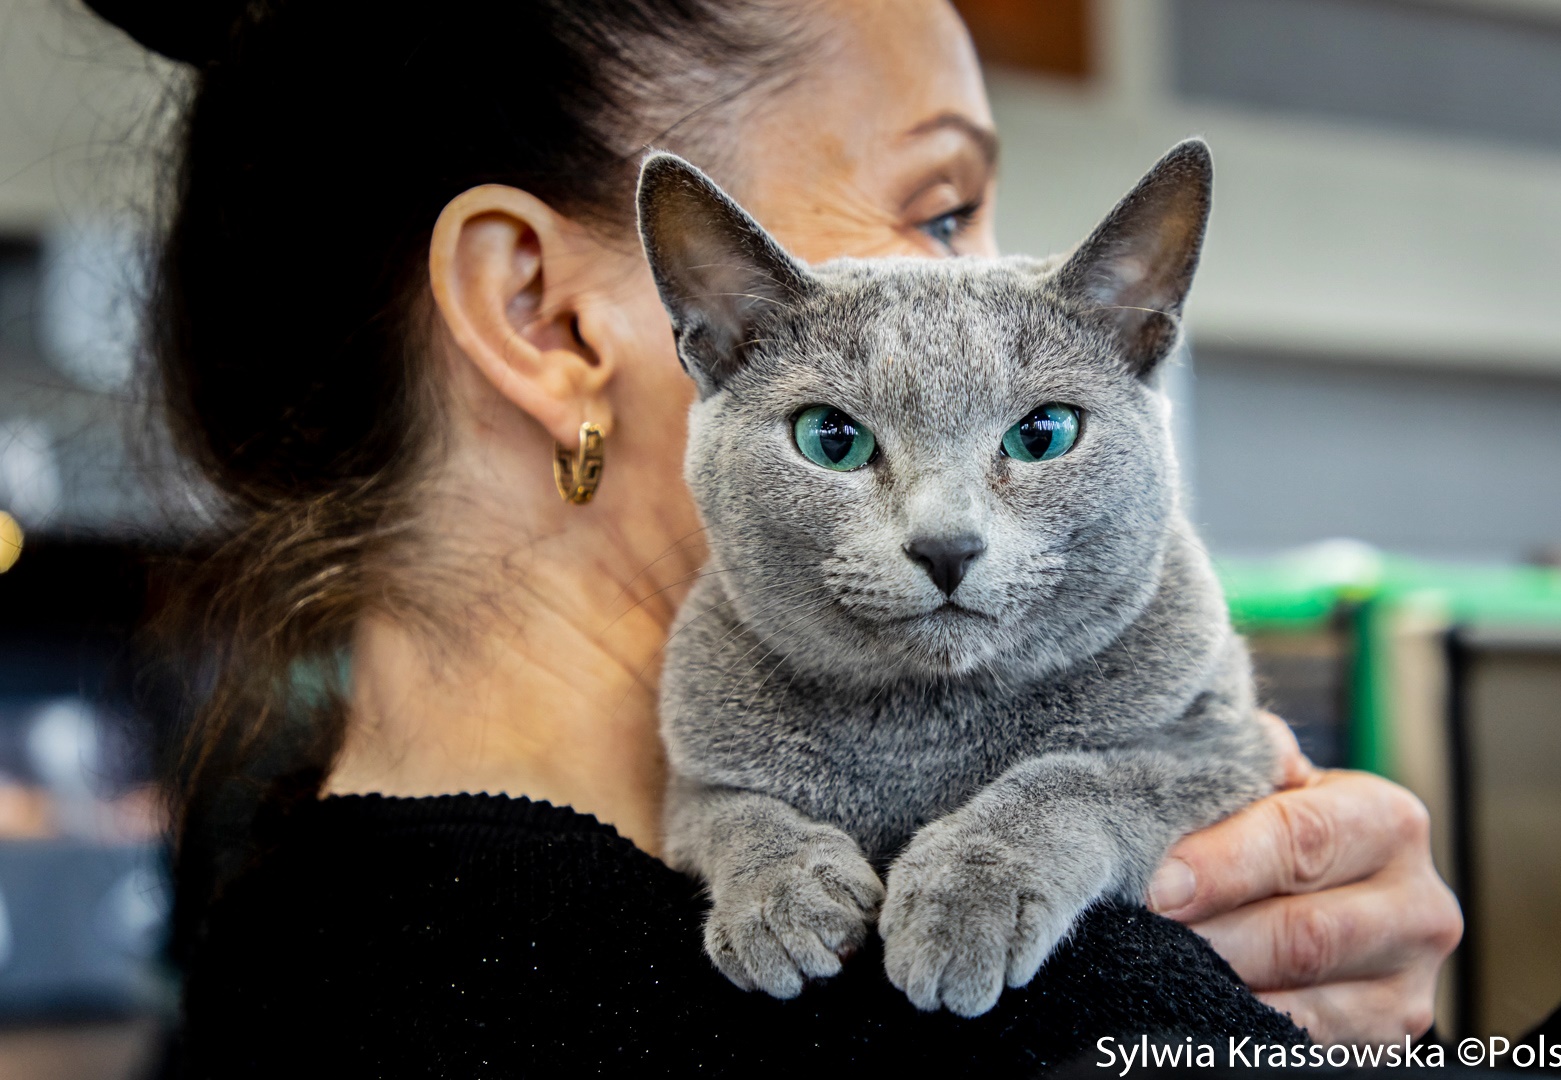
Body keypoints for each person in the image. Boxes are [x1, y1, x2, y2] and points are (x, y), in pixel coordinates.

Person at [87, 0, 1461, 1070]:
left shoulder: (266, 923)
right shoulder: (998, 1015)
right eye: (941, 211)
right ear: (550, 322)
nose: (995, 289)